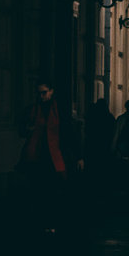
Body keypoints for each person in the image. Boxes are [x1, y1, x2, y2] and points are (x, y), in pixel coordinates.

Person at [17, 79, 82, 230]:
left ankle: (52, 222)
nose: (42, 96)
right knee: (39, 192)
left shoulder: (59, 110)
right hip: (37, 156)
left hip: (55, 156)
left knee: (54, 192)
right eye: (39, 93)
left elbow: (69, 133)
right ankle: (42, 222)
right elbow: (22, 130)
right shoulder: (32, 110)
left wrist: (79, 156)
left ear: (51, 92)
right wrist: (29, 129)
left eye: (44, 93)